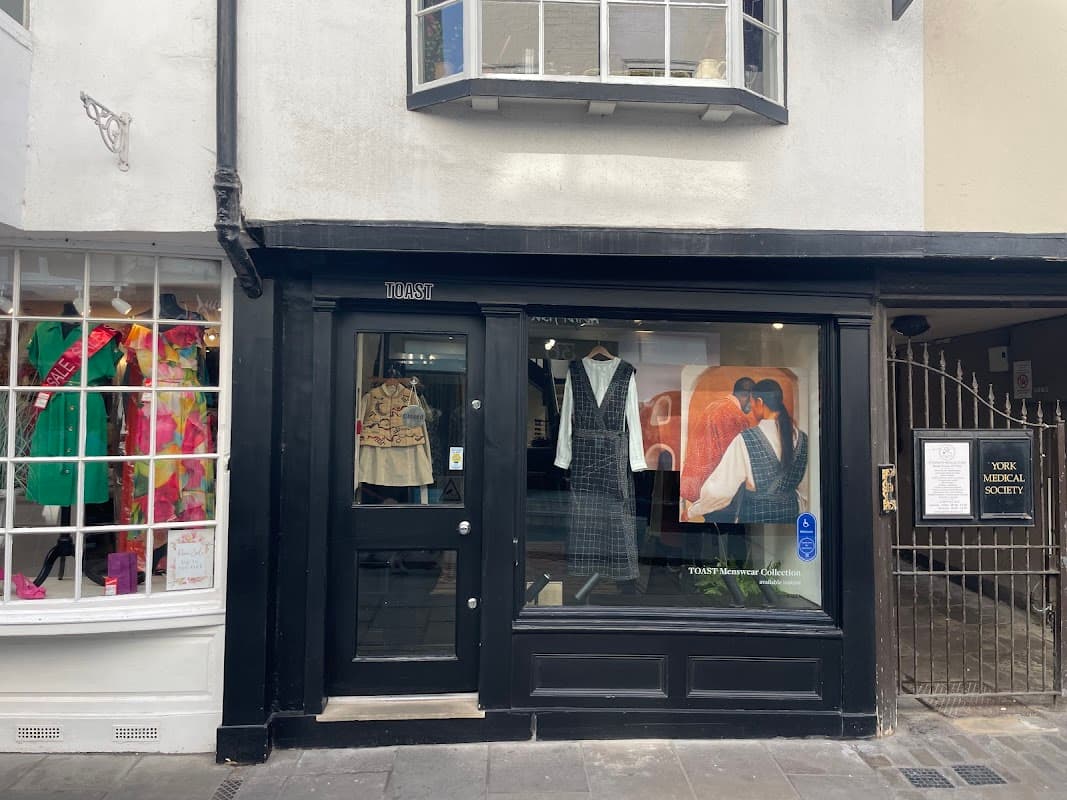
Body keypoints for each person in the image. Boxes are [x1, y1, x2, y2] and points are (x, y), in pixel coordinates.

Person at [688, 378, 808, 524]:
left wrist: (692, 511)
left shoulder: (746, 439)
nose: (751, 407)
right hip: (791, 515)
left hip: (755, 519)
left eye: (752, 402)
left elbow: (721, 490)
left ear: (760, 402)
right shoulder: (802, 439)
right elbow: (805, 490)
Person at [681, 376, 755, 521]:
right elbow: (733, 466)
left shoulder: (714, 406)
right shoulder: (737, 417)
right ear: (748, 395)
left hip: (696, 486)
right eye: (754, 400)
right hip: (716, 494)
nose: (753, 407)